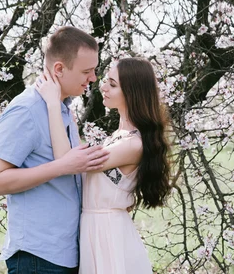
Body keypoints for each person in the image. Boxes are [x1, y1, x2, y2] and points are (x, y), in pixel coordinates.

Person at [0, 26, 110, 274]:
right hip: (37, 258)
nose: (93, 78)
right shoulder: (26, 110)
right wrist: (61, 166)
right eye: (86, 71)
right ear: (59, 69)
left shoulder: (62, 109)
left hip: (66, 254)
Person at [35, 57, 172, 274]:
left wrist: (54, 105)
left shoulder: (132, 144)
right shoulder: (118, 137)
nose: (103, 87)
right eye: (107, 80)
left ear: (132, 93)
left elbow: (66, 159)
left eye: (113, 84)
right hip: (97, 228)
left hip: (108, 233)